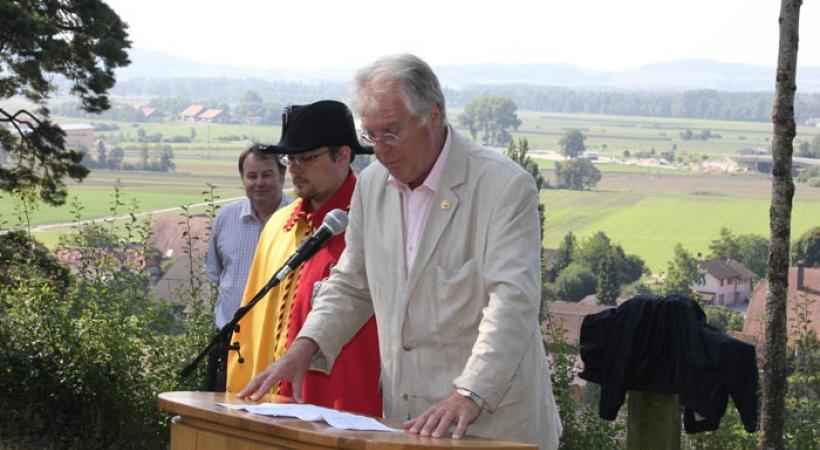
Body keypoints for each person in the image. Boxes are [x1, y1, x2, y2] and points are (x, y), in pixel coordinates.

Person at [239, 55, 562, 449]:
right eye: (371, 136)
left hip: (493, 426)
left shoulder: (504, 187)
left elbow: (512, 302)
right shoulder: (373, 186)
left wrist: (469, 393)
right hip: (407, 427)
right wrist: (304, 349)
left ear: (433, 116)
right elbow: (351, 284)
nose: (380, 151)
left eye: (391, 133)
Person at [226, 100, 382, 416]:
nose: (294, 168)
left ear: (343, 156)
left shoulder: (375, 226)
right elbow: (250, 325)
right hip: (271, 407)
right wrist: (238, 396)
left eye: (307, 157)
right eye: (290, 158)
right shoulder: (277, 228)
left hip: (347, 410)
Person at [204, 144, 289, 391]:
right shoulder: (225, 219)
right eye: (252, 176)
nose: (259, 182)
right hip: (229, 343)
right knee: (222, 420)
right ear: (242, 180)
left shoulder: (299, 220)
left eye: (267, 174)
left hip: (277, 347)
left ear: (282, 176)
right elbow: (218, 274)